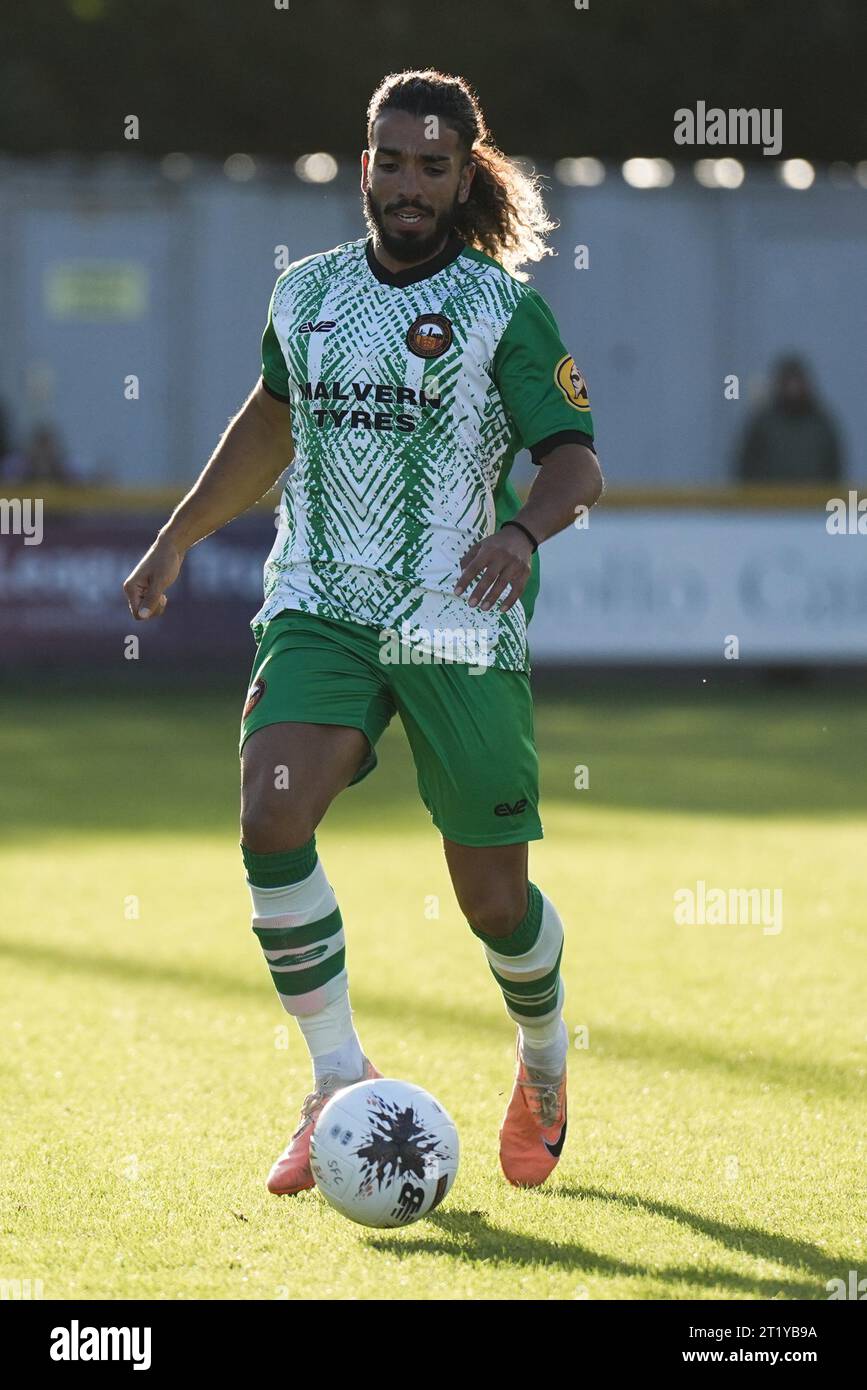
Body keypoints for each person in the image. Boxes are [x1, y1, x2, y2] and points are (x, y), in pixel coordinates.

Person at [123, 69, 603, 1194]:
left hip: (455, 621)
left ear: (463, 174)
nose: (405, 184)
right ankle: (336, 1079)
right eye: (388, 161)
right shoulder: (309, 294)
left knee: (493, 902)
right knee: (271, 810)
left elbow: (573, 459)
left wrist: (523, 535)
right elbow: (267, 423)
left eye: (432, 167)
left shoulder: (503, 311)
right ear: (366, 163)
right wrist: (179, 533)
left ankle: (544, 1061)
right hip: (321, 604)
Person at [735, 355, 843, 485]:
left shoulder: (822, 425)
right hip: (768, 503)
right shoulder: (761, 424)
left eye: (797, 382)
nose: (793, 388)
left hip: (813, 503)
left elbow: (834, 468)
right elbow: (746, 467)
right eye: (788, 382)